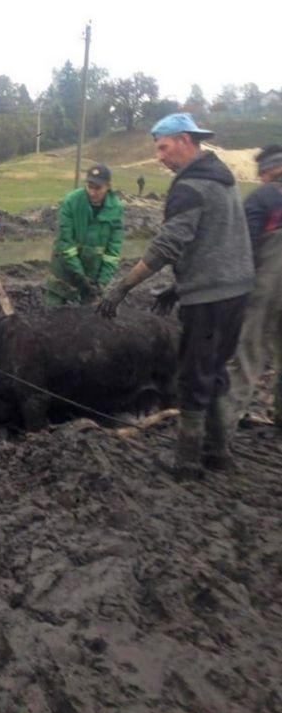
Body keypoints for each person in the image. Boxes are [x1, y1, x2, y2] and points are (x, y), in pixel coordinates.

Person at [97, 112, 255, 479]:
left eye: (163, 147)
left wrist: (122, 286)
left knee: (191, 377)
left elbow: (167, 245)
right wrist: (179, 284)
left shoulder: (189, 186)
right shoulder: (222, 178)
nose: (159, 156)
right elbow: (215, 238)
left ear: (185, 140)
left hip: (210, 298)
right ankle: (218, 453)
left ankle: (186, 463)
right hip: (237, 290)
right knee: (214, 370)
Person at [227, 144, 282, 427]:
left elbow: (242, 247)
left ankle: (219, 438)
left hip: (268, 289)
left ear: (269, 171)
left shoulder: (262, 197)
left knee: (247, 357)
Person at [45, 163, 124, 306]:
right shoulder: (72, 201)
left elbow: (113, 252)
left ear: (108, 186)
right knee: (53, 318)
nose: (92, 192)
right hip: (64, 272)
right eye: (89, 186)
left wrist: (101, 283)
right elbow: (65, 243)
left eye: (98, 188)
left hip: (93, 274)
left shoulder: (116, 209)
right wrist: (80, 276)